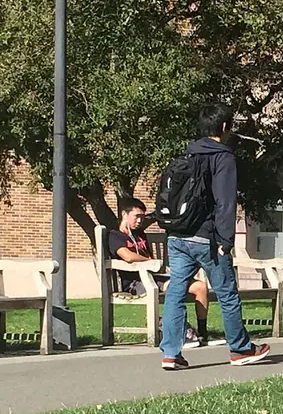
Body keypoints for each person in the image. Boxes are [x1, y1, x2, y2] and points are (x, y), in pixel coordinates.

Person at [159, 102, 270, 370]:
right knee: (227, 293)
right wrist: (226, 240)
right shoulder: (223, 157)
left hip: (177, 235)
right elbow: (225, 202)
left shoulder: (188, 154)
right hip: (206, 238)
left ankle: (171, 354)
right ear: (224, 127)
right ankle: (241, 349)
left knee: (175, 292)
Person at [109, 196, 212, 344]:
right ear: (124, 214)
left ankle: (202, 332)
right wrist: (151, 262)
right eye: (136, 216)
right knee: (177, 288)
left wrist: (162, 268)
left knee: (200, 287)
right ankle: (179, 332)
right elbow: (128, 256)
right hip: (136, 283)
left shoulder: (140, 235)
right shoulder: (115, 236)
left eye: (142, 217)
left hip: (156, 277)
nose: (139, 221)